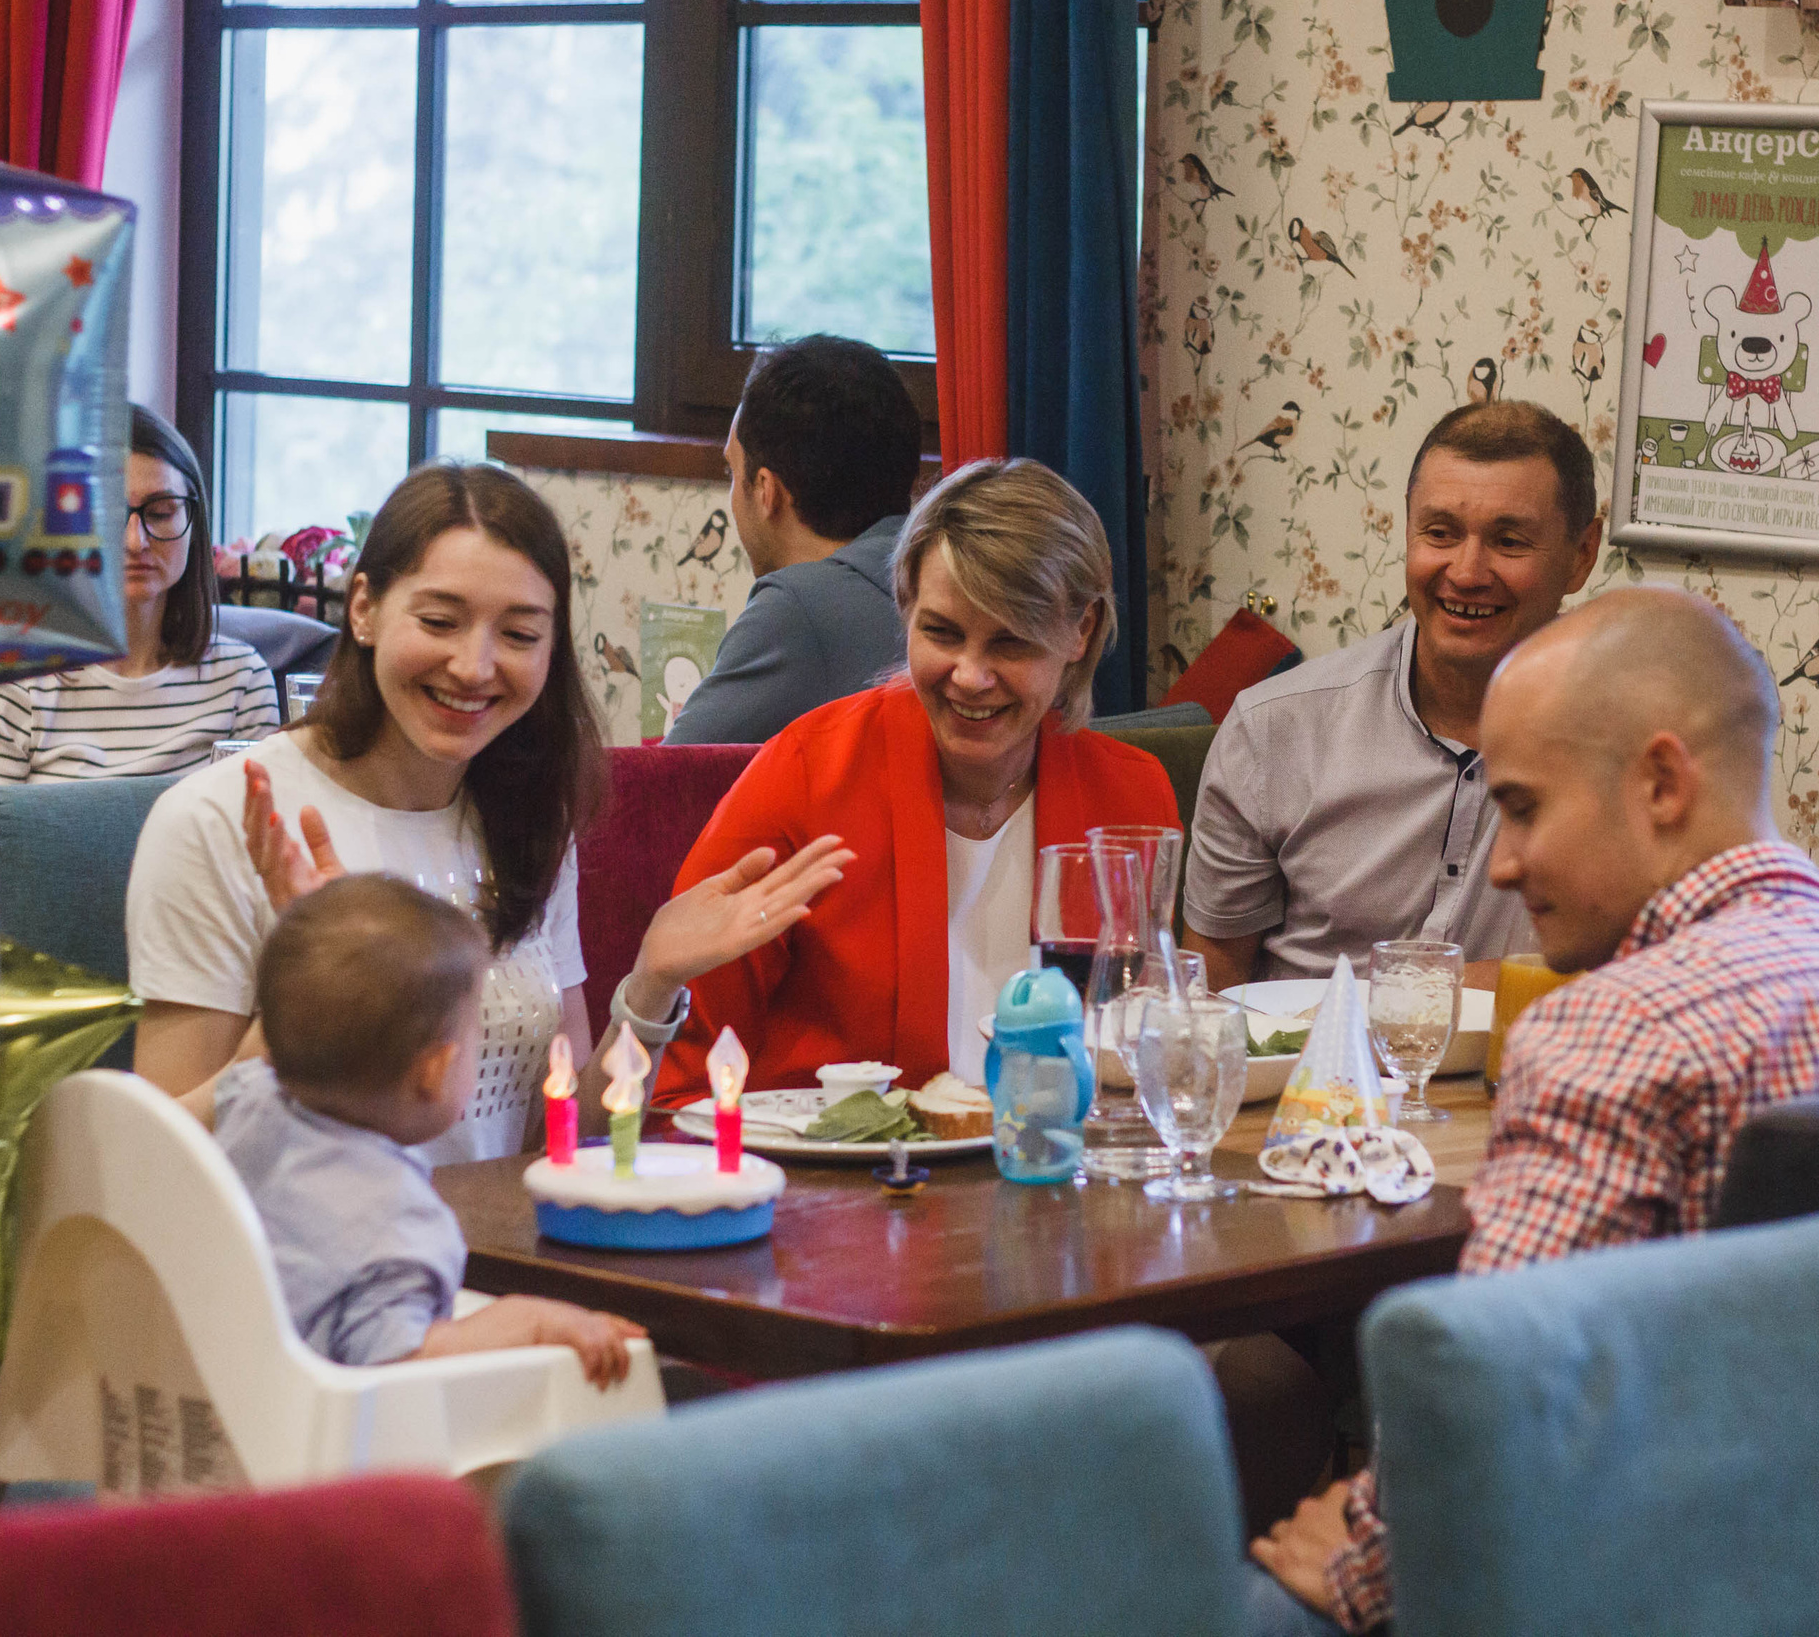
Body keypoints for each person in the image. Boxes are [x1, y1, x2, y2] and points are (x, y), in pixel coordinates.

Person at [1246, 587, 1819, 1636]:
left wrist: (1362, 1572)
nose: (1506, 863)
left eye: (1522, 809)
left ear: (1662, 781)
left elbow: (1496, 1412)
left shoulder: (1614, 1030)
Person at [127, 462, 852, 1159]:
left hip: (488, 1260)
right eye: (440, 621)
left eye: (518, 634)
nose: (474, 667)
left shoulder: (528, 813)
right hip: (308, 1268)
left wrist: (652, 982)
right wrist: (294, 1029)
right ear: (364, 609)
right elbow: (157, 1159)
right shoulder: (222, 820)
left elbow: (569, 1132)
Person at [648, 458, 1180, 1104]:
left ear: (1080, 631)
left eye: (1010, 643)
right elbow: (677, 1077)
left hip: (1056, 1174)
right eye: (941, 632)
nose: (969, 675)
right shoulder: (804, 775)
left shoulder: (1130, 796)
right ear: (906, 609)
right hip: (830, 1183)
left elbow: (1141, 1047)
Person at [1183, 402, 1601, 992]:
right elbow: (1214, 982)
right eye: (1440, 534)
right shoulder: (1272, 729)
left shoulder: (1634, 746)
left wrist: (1441, 988)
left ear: (1582, 554)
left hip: (1527, 1076)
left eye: (1509, 541)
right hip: (1310, 1075)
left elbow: (1661, 971)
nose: (1466, 571)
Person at [197, 872, 645, 1377]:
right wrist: (530, 1321)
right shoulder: (398, 1222)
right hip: (320, 1443)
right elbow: (400, 1365)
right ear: (435, 1071)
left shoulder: (250, 1099)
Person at [0, 403, 277, 784]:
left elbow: (251, 837)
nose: (135, 541)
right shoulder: (5, 676)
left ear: (193, 524)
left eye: (160, 512)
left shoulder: (243, 679)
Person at [663, 335, 921, 745]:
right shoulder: (941, 579)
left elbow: (668, 783)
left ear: (767, 491)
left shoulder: (794, 612)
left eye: (733, 474)